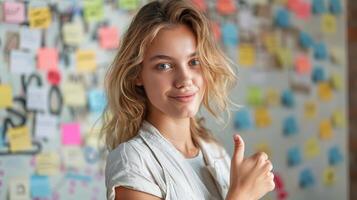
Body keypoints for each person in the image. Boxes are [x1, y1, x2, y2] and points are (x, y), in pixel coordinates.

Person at [101, 0, 275, 199]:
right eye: (164, 66)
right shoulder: (133, 160)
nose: (185, 79)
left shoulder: (214, 151)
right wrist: (242, 195)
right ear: (137, 74)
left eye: (194, 61)